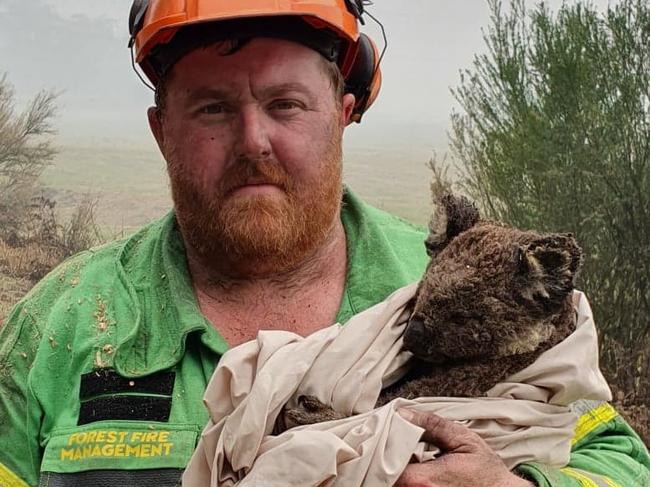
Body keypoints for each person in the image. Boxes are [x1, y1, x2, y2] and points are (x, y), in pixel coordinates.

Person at [0, 1, 647, 486]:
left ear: (343, 111)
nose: (253, 139)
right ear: (160, 128)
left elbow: (619, 462)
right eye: (212, 108)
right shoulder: (59, 328)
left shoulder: (460, 285)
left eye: (285, 104)